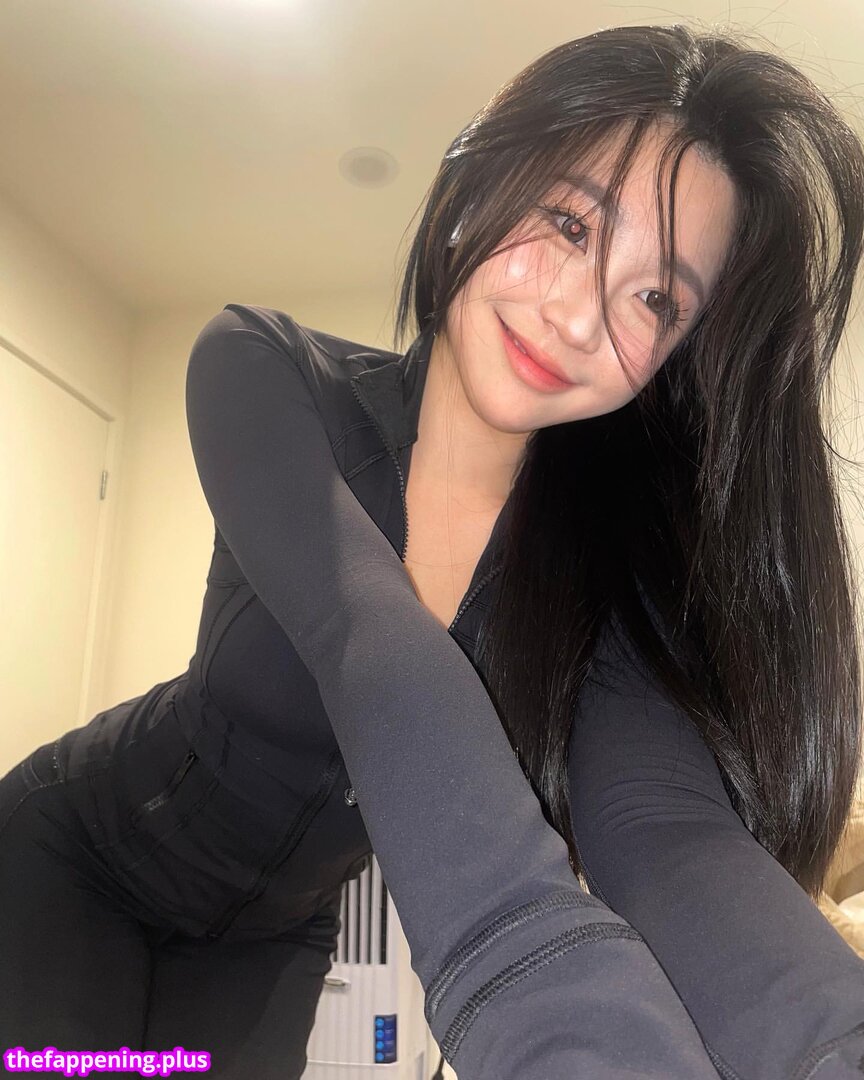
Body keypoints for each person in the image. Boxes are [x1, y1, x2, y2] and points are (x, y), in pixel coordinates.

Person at [2, 20, 864, 1080]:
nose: (577, 316)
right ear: (477, 184)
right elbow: (371, 640)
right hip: (82, 861)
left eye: (655, 298)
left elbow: (663, 827)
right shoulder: (269, 371)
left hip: (271, 941)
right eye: (569, 223)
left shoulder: (600, 572)